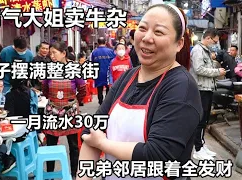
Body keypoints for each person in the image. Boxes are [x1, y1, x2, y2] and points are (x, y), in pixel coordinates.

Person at [77, 4, 203, 180]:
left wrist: (103, 143)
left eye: (159, 32)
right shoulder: (127, 77)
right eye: (142, 28)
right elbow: (91, 131)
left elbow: (158, 154)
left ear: (179, 43)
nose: (147, 38)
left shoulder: (181, 86)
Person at [42, 41, 86, 179]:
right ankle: (50, 175)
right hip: (52, 112)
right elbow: (45, 89)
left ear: (64, 53)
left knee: (73, 144)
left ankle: (74, 174)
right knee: (51, 144)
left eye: (54, 52)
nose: (52, 56)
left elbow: (83, 89)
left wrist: (73, 101)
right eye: (50, 53)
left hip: (70, 111)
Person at [190, 29, 226, 160]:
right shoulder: (198, 50)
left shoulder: (206, 50)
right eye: (215, 41)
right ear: (209, 38)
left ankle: (201, 144)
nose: (215, 44)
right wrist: (217, 72)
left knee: (204, 119)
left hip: (207, 88)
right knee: (201, 118)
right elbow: (198, 69)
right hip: (201, 89)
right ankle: (197, 149)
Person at [91, 37, 116, 105]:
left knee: (99, 88)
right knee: (108, 88)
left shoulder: (94, 52)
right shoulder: (110, 51)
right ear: (105, 42)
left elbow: (92, 63)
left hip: (99, 73)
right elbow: (114, 62)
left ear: (98, 43)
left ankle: (101, 102)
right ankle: (107, 102)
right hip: (108, 73)